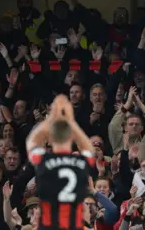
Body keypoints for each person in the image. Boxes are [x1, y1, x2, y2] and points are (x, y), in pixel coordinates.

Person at [26, 95, 96, 230]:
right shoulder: (81, 162)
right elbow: (89, 149)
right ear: (72, 138)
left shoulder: (43, 161)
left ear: (50, 139)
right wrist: (71, 121)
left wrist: (50, 118)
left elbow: (32, 142)